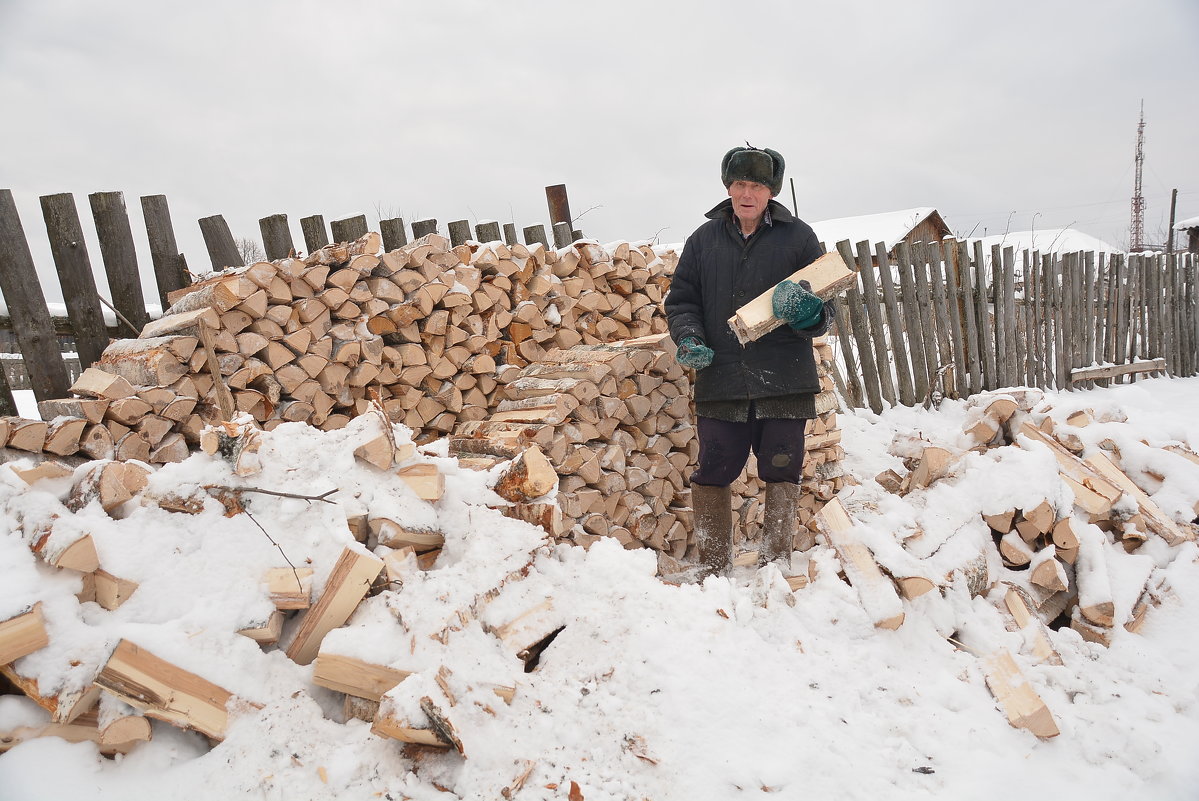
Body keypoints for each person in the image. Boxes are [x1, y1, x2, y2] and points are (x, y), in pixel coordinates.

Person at [664, 144, 834, 580]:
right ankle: (714, 567)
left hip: (785, 378)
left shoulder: (798, 238)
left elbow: (826, 308)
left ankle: (775, 565)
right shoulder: (702, 242)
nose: (747, 192)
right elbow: (683, 301)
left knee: (782, 464)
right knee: (714, 466)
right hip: (721, 375)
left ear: (771, 191)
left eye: (757, 185)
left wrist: (809, 313)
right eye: (740, 183)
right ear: (727, 186)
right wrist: (689, 339)